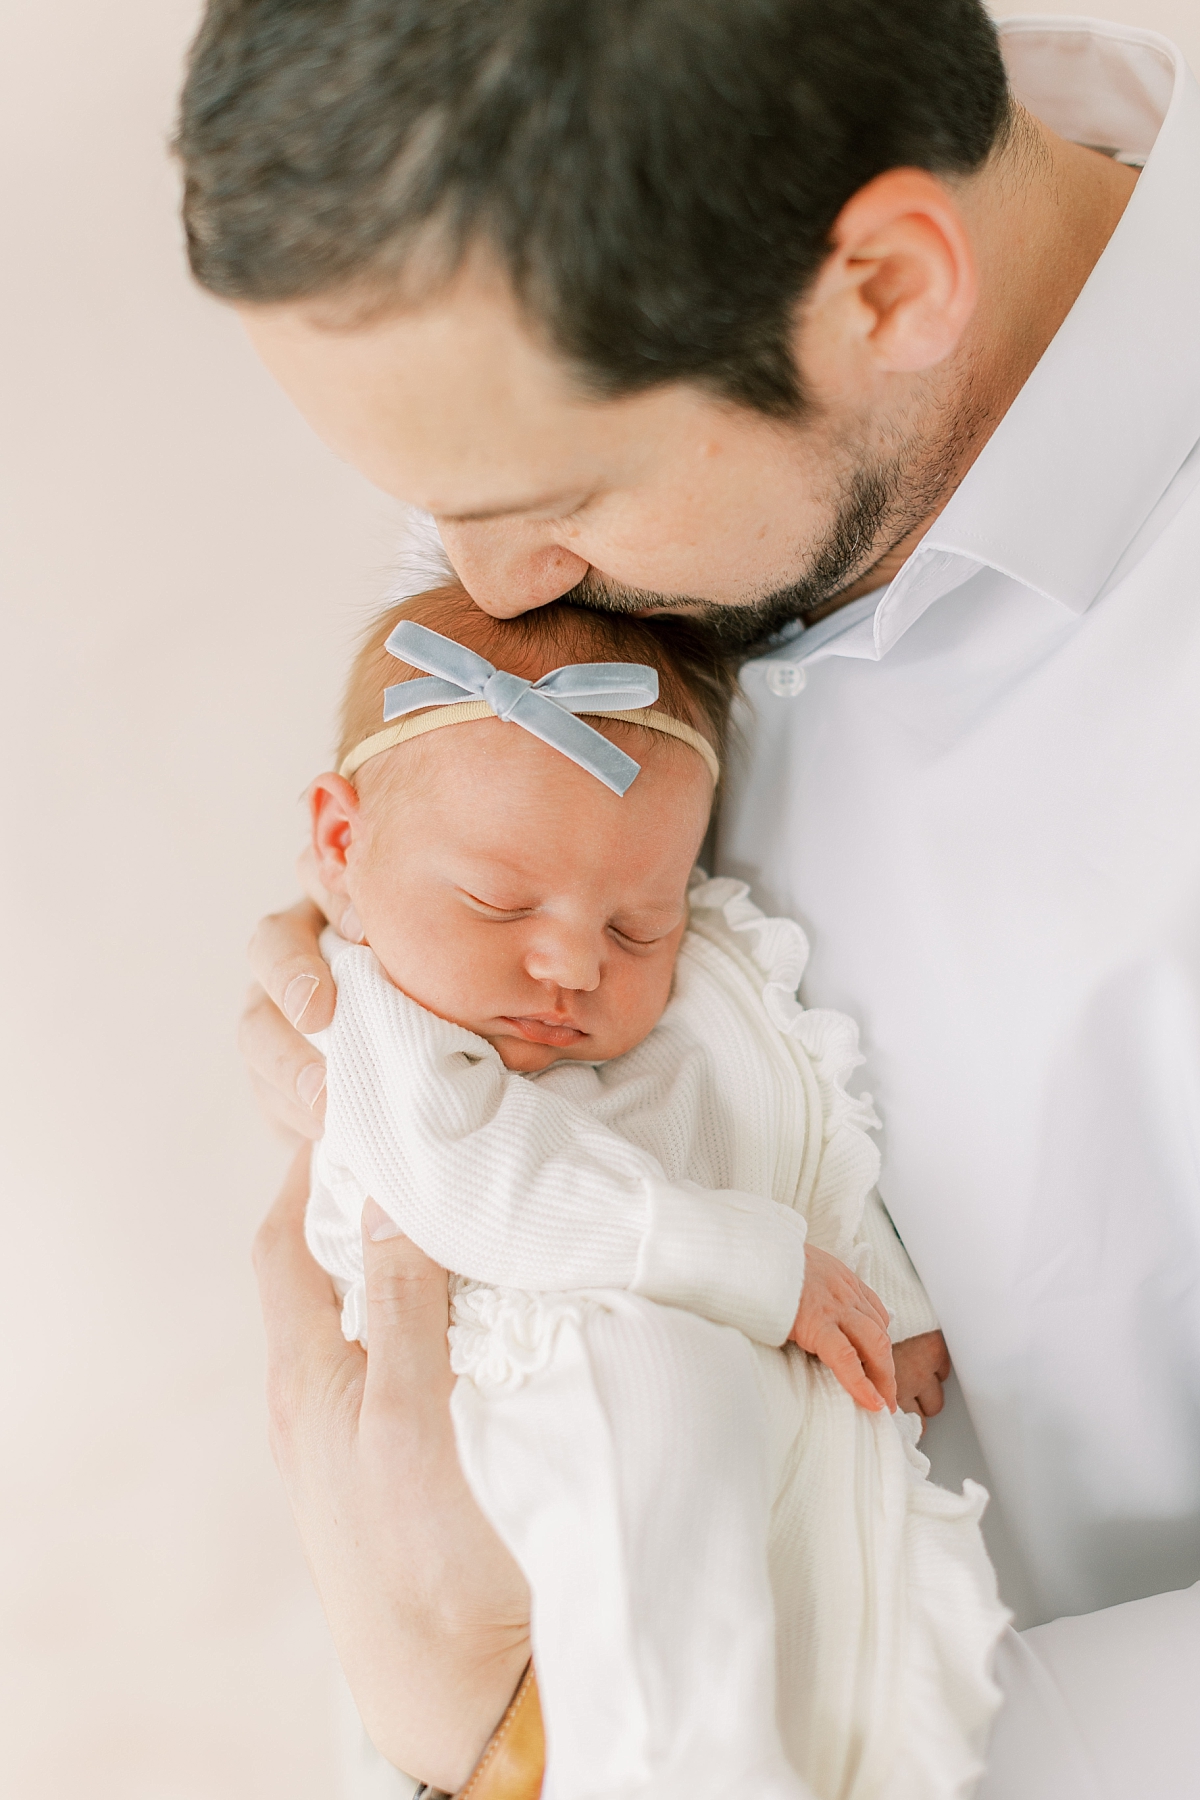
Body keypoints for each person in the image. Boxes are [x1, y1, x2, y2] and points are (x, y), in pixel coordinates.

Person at [175, 3, 1200, 1794]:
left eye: (548, 503)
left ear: (889, 286)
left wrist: (526, 1738)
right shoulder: (663, 346)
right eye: (433, 505)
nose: (484, 586)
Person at [302, 582, 1005, 1797]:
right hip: (534, 1350)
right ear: (342, 846)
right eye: (498, 902)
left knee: (811, 1620)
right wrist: (747, 1265)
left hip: (728, 1334)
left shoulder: (705, 980)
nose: (572, 962)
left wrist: (875, 1284)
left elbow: (790, 1111)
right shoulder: (373, 1014)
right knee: (649, 1519)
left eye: (638, 922)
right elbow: (471, 1181)